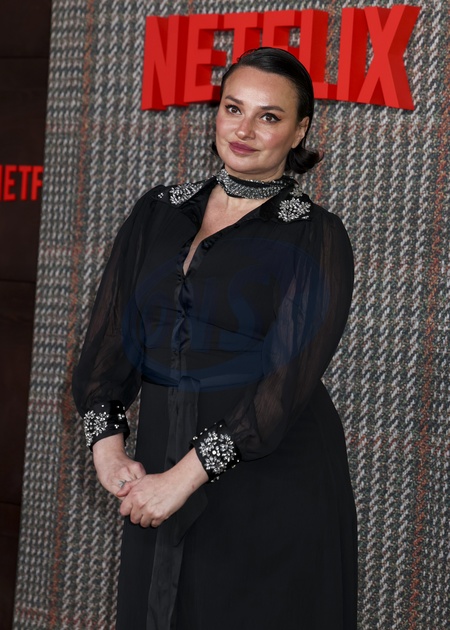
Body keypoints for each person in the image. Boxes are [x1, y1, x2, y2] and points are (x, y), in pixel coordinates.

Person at [72, 47, 357, 630]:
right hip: (159, 471)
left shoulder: (316, 235)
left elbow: (286, 385)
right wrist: (108, 447)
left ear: (300, 130)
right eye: (233, 108)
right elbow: (108, 344)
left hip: (268, 483)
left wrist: (183, 478)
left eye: (269, 116)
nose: (244, 130)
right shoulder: (156, 211)